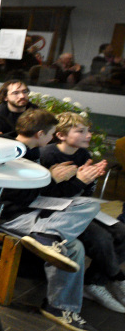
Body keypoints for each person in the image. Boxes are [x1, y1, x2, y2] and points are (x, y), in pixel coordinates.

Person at [0, 109, 102, 331]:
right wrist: (50, 179)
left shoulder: (33, 152)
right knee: (74, 246)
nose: (53, 138)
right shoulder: (14, 153)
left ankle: (57, 303)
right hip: (7, 216)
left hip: (30, 210)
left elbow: (44, 194)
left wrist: (78, 181)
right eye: (53, 133)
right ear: (42, 133)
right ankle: (60, 306)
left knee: (89, 206)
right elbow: (13, 198)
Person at [38, 113, 125, 313]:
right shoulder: (48, 155)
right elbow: (46, 196)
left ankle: (94, 283)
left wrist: (90, 179)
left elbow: (83, 193)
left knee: (121, 231)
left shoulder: (82, 155)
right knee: (101, 237)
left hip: (77, 206)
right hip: (54, 211)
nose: (88, 135)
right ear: (60, 135)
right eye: (81, 131)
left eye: (88, 130)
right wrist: (79, 180)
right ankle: (117, 278)